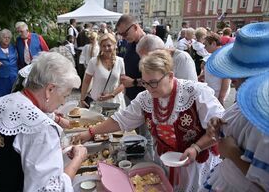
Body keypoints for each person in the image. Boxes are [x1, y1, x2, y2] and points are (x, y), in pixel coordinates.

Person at [76, 49, 224, 191]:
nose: (149, 88)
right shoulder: (145, 99)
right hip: (165, 161)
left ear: (170, 75)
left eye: (154, 82)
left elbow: (220, 128)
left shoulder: (195, 93)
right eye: (145, 83)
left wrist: (197, 147)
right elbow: (121, 120)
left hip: (196, 164)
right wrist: (90, 132)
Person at [0, 52, 87, 191]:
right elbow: (50, 189)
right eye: (65, 96)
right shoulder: (41, 127)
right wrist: (77, 160)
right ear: (50, 89)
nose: (63, 102)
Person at [202, 22, 269, 191]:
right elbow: (237, 126)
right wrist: (220, 124)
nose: (234, 79)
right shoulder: (247, 101)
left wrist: (233, 154)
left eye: (243, 74)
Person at [80, 33, 126, 110]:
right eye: (103, 46)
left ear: (114, 45)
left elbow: (123, 83)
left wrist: (111, 95)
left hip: (115, 102)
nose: (106, 48)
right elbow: (86, 81)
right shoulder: (93, 62)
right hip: (97, 102)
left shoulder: (120, 61)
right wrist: (82, 98)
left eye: (109, 45)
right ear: (100, 47)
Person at [116, 14, 146, 104]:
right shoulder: (131, 42)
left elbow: (157, 80)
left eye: (125, 34)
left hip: (145, 99)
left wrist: (134, 82)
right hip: (130, 97)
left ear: (135, 27)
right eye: (120, 34)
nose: (123, 37)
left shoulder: (150, 44)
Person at [201, 33, 231, 106]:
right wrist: (203, 75)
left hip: (217, 93)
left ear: (214, 44)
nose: (204, 48)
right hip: (212, 92)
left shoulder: (222, 57)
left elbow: (226, 79)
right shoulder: (214, 55)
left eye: (206, 45)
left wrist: (221, 97)